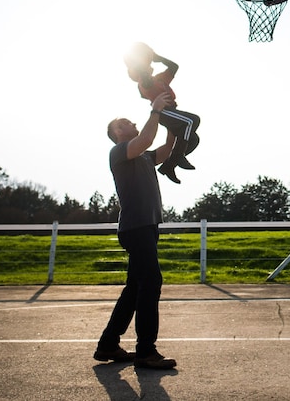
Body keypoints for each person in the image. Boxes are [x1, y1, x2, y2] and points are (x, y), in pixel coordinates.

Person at [93, 90, 177, 370]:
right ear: (118, 130)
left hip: (148, 226)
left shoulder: (142, 156)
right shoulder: (120, 152)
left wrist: (171, 123)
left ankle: (108, 344)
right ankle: (146, 351)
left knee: (133, 289)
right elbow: (146, 140)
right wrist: (154, 110)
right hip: (135, 227)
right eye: (128, 122)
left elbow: (164, 150)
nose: (134, 124)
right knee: (151, 283)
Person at [124, 42, 201, 184]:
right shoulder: (143, 83)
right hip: (164, 113)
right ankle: (177, 157)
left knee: (194, 139)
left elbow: (174, 67)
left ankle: (169, 165)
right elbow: (143, 75)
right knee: (192, 121)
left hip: (173, 113)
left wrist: (157, 57)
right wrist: (141, 58)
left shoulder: (160, 79)